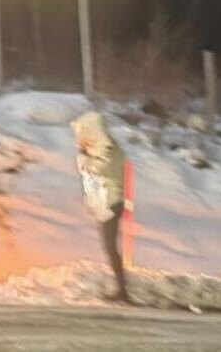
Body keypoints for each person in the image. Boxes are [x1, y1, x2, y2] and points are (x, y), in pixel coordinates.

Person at [71, 110, 130, 303]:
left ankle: (122, 290)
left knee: (111, 248)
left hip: (111, 203)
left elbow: (97, 169)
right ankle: (121, 288)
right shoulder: (107, 147)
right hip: (108, 202)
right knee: (110, 248)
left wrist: (83, 155)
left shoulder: (108, 150)